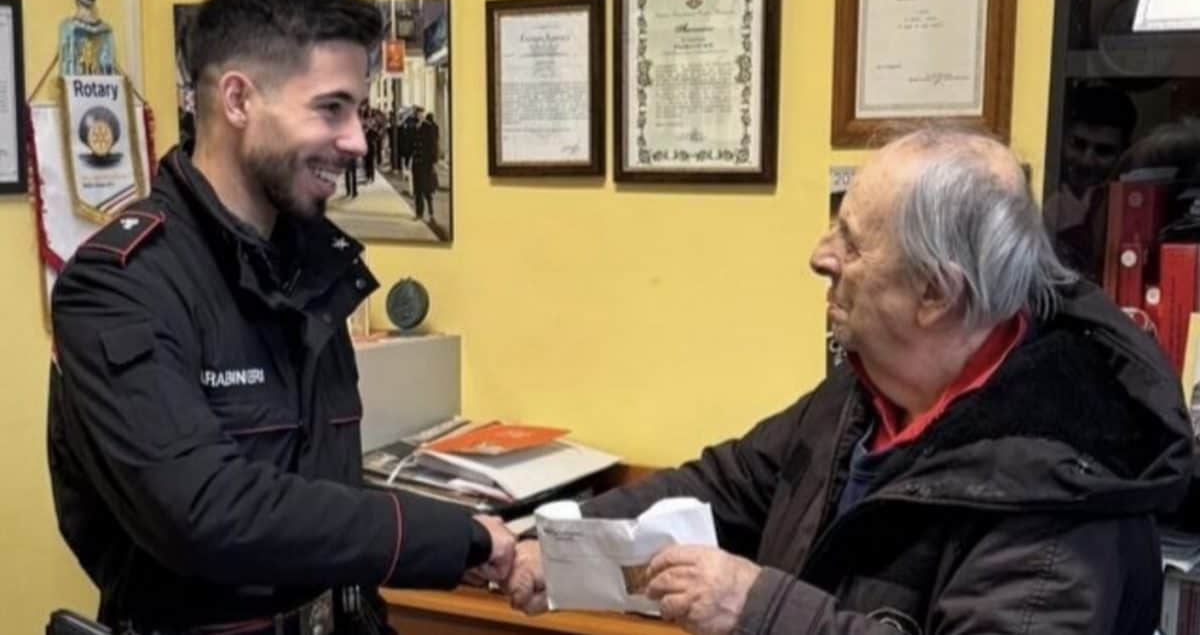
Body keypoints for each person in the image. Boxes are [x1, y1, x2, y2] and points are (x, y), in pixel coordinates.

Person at [504, 129, 1193, 634]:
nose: (820, 255)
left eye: (852, 242)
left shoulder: (1063, 496)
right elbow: (729, 484)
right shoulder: (870, 389)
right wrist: (555, 543)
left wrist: (757, 607)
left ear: (935, 293)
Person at [46, 0, 513, 634]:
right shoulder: (120, 286)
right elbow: (208, 510)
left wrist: (468, 540)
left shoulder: (311, 268)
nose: (357, 140)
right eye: (331, 108)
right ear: (239, 100)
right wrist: (449, 535)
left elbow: (316, 489)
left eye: (358, 109)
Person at [1045, 82, 1137, 280]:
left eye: (1103, 151)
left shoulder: (1135, 205)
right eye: (1078, 145)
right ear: (1061, 139)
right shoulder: (1041, 195)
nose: (1087, 161)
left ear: (1125, 153)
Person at [412, 110, 439, 222]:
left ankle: (431, 213)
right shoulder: (414, 127)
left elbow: (433, 145)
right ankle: (419, 213)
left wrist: (434, 162)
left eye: (421, 114)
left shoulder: (428, 128)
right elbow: (411, 145)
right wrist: (408, 159)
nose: (419, 116)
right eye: (417, 114)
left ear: (423, 116)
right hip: (416, 163)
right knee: (417, 190)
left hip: (426, 163)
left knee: (427, 190)